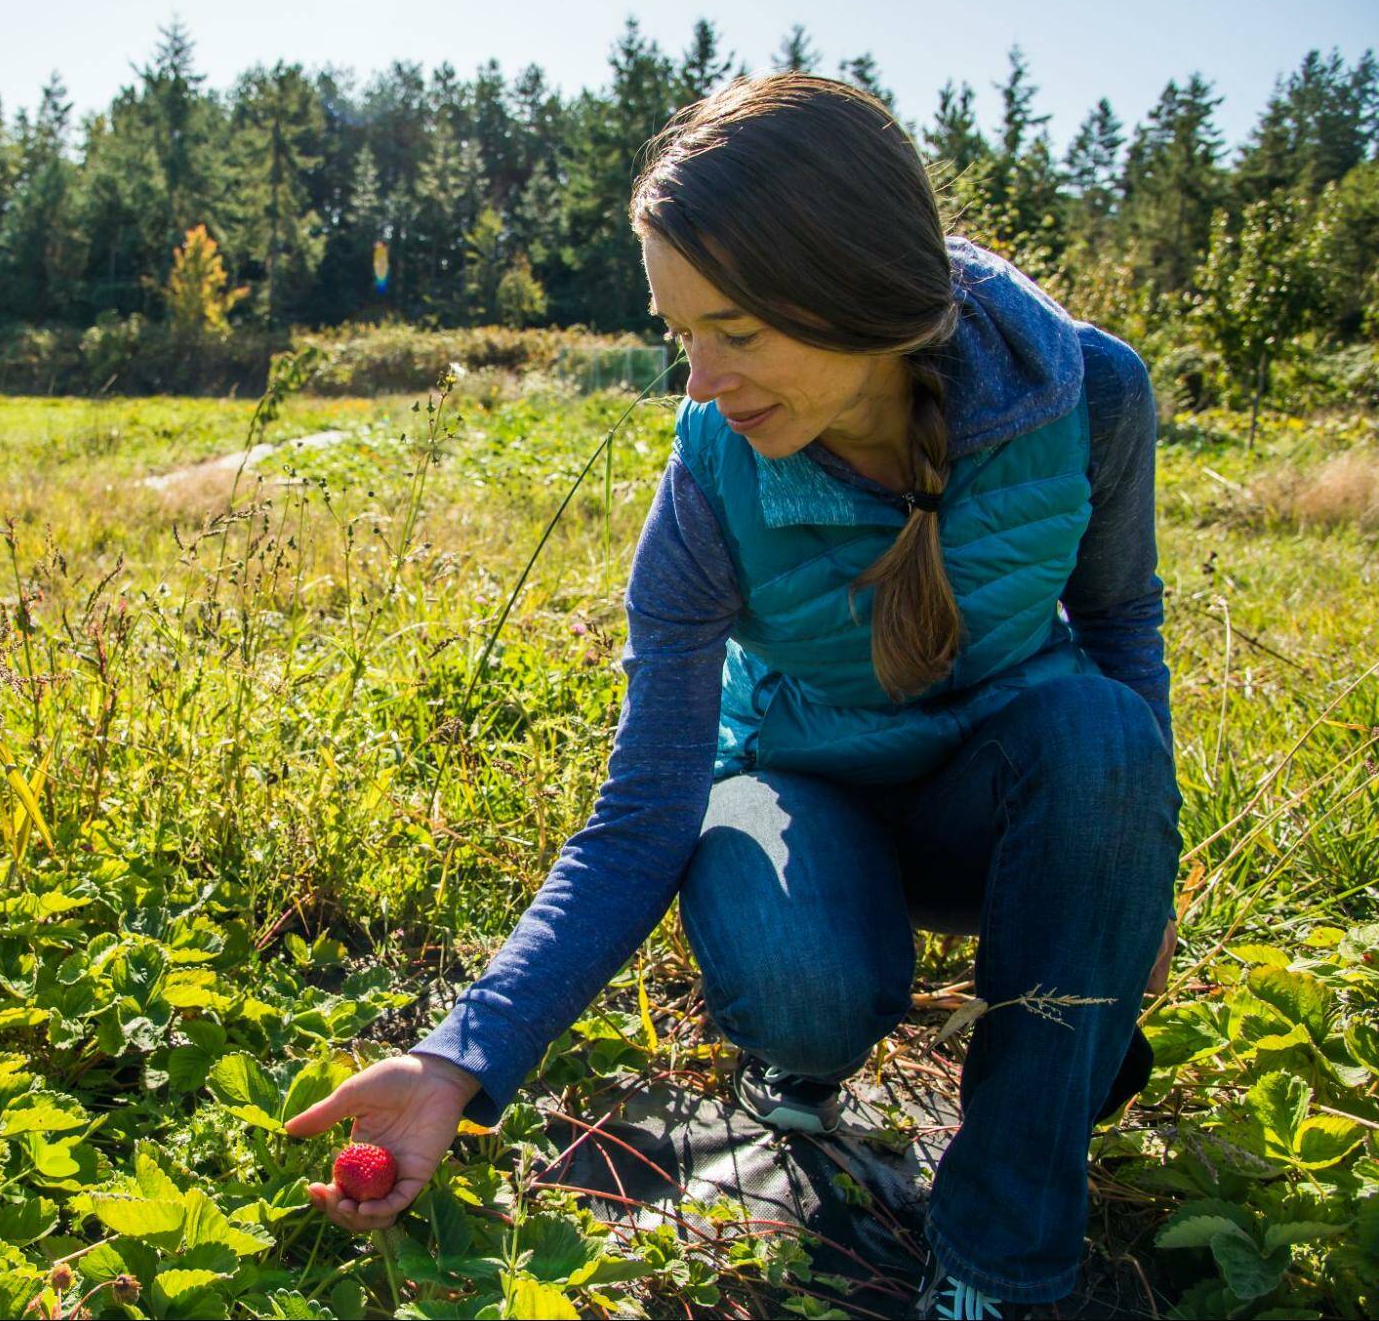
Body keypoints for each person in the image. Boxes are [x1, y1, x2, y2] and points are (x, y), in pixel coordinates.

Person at [284, 72, 1182, 1320]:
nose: (699, 380)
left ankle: (999, 1258)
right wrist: (458, 1055)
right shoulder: (709, 481)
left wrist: (1149, 878)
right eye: (678, 333)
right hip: (803, 784)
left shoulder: (1089, 394)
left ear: (862, 292)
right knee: (804, 991)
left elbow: (1121, 621)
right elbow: (644, 805)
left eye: (738, 332)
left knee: (1099, 732)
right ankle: (836, 1063)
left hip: (1011, 791)